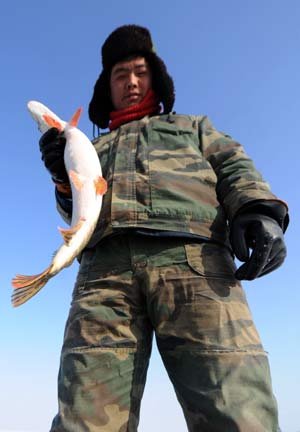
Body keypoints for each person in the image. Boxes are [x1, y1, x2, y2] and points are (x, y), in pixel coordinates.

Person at [39, 25, 289, 432]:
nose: (132, 82)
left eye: (140, 71)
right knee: (84, 419)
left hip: (196, 263)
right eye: (121, 75)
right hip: (104, 276)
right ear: (108, 86)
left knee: (238, 411)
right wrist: (62, 180)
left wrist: (258, 209)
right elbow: (76, 212)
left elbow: (233, 165)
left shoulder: (194, 128)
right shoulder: (92, 148)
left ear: (155, 77)